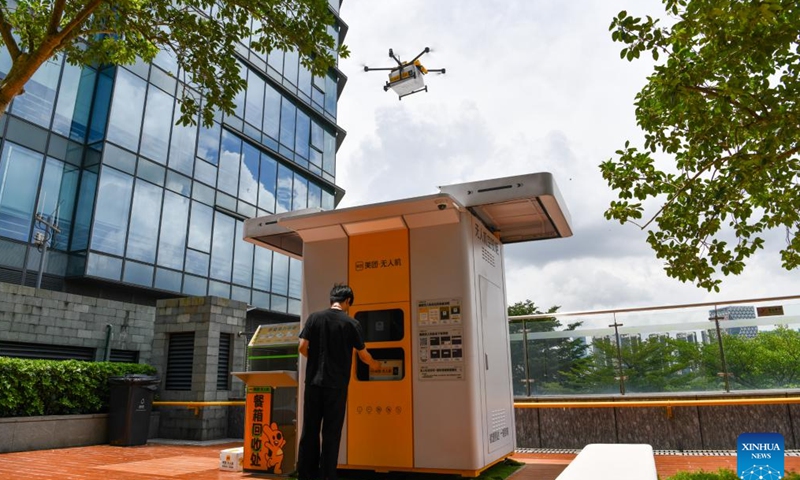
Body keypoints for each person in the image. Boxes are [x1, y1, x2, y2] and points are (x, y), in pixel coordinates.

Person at [297, 283, 379, 480]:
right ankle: (327, 476)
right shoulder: (351, 324)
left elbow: (301, 346)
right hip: (336, 387)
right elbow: (363, 355)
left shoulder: (314, 318)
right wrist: (375, 364)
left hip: (314, 384)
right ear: (348, 301)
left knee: (310, 430)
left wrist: (315, 361)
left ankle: (306, 475)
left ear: (331, 299)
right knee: (331, 433)